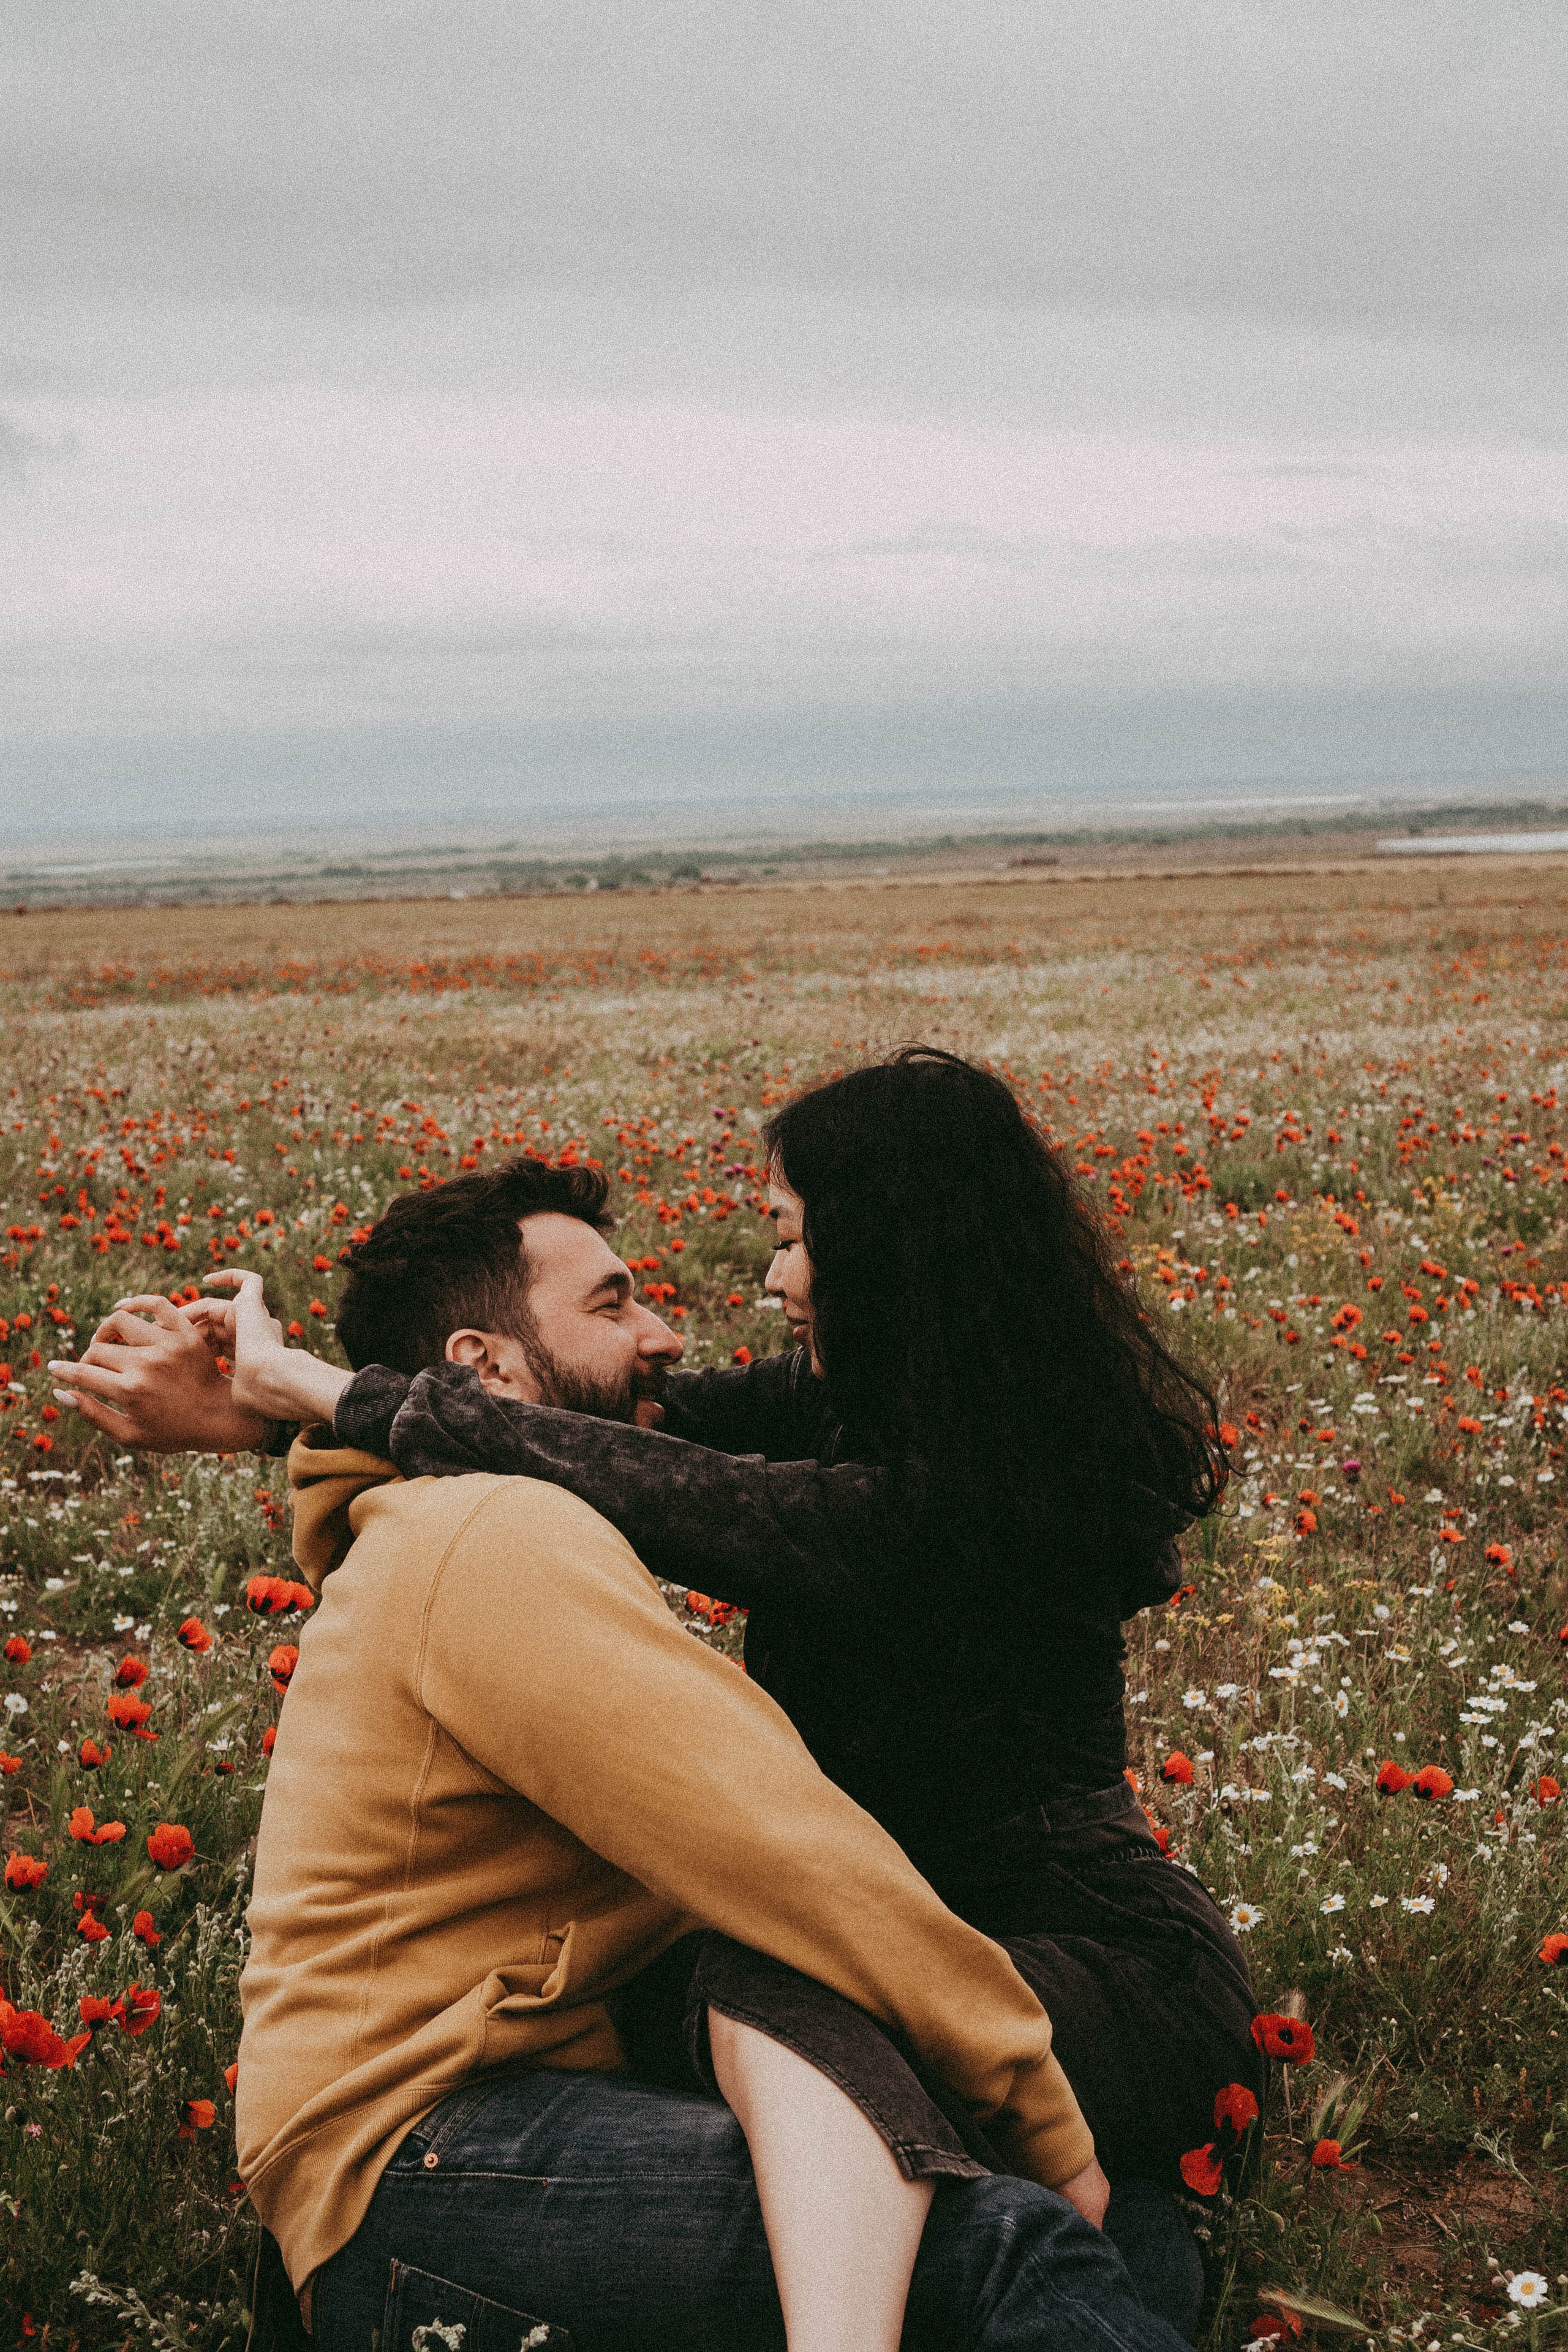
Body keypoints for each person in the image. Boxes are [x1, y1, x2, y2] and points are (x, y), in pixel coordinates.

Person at [55, 1156, 1202, 2352]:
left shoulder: (446, 1520)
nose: (663, 1336)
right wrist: (1036, 2112)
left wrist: (281, 1406)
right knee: (1007, 2248)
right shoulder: (490, 1533)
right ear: (483, 1371)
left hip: (492, 2122)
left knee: (1137, 2238)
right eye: (612, 1305)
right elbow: (780, 1841)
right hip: (421, 2161)